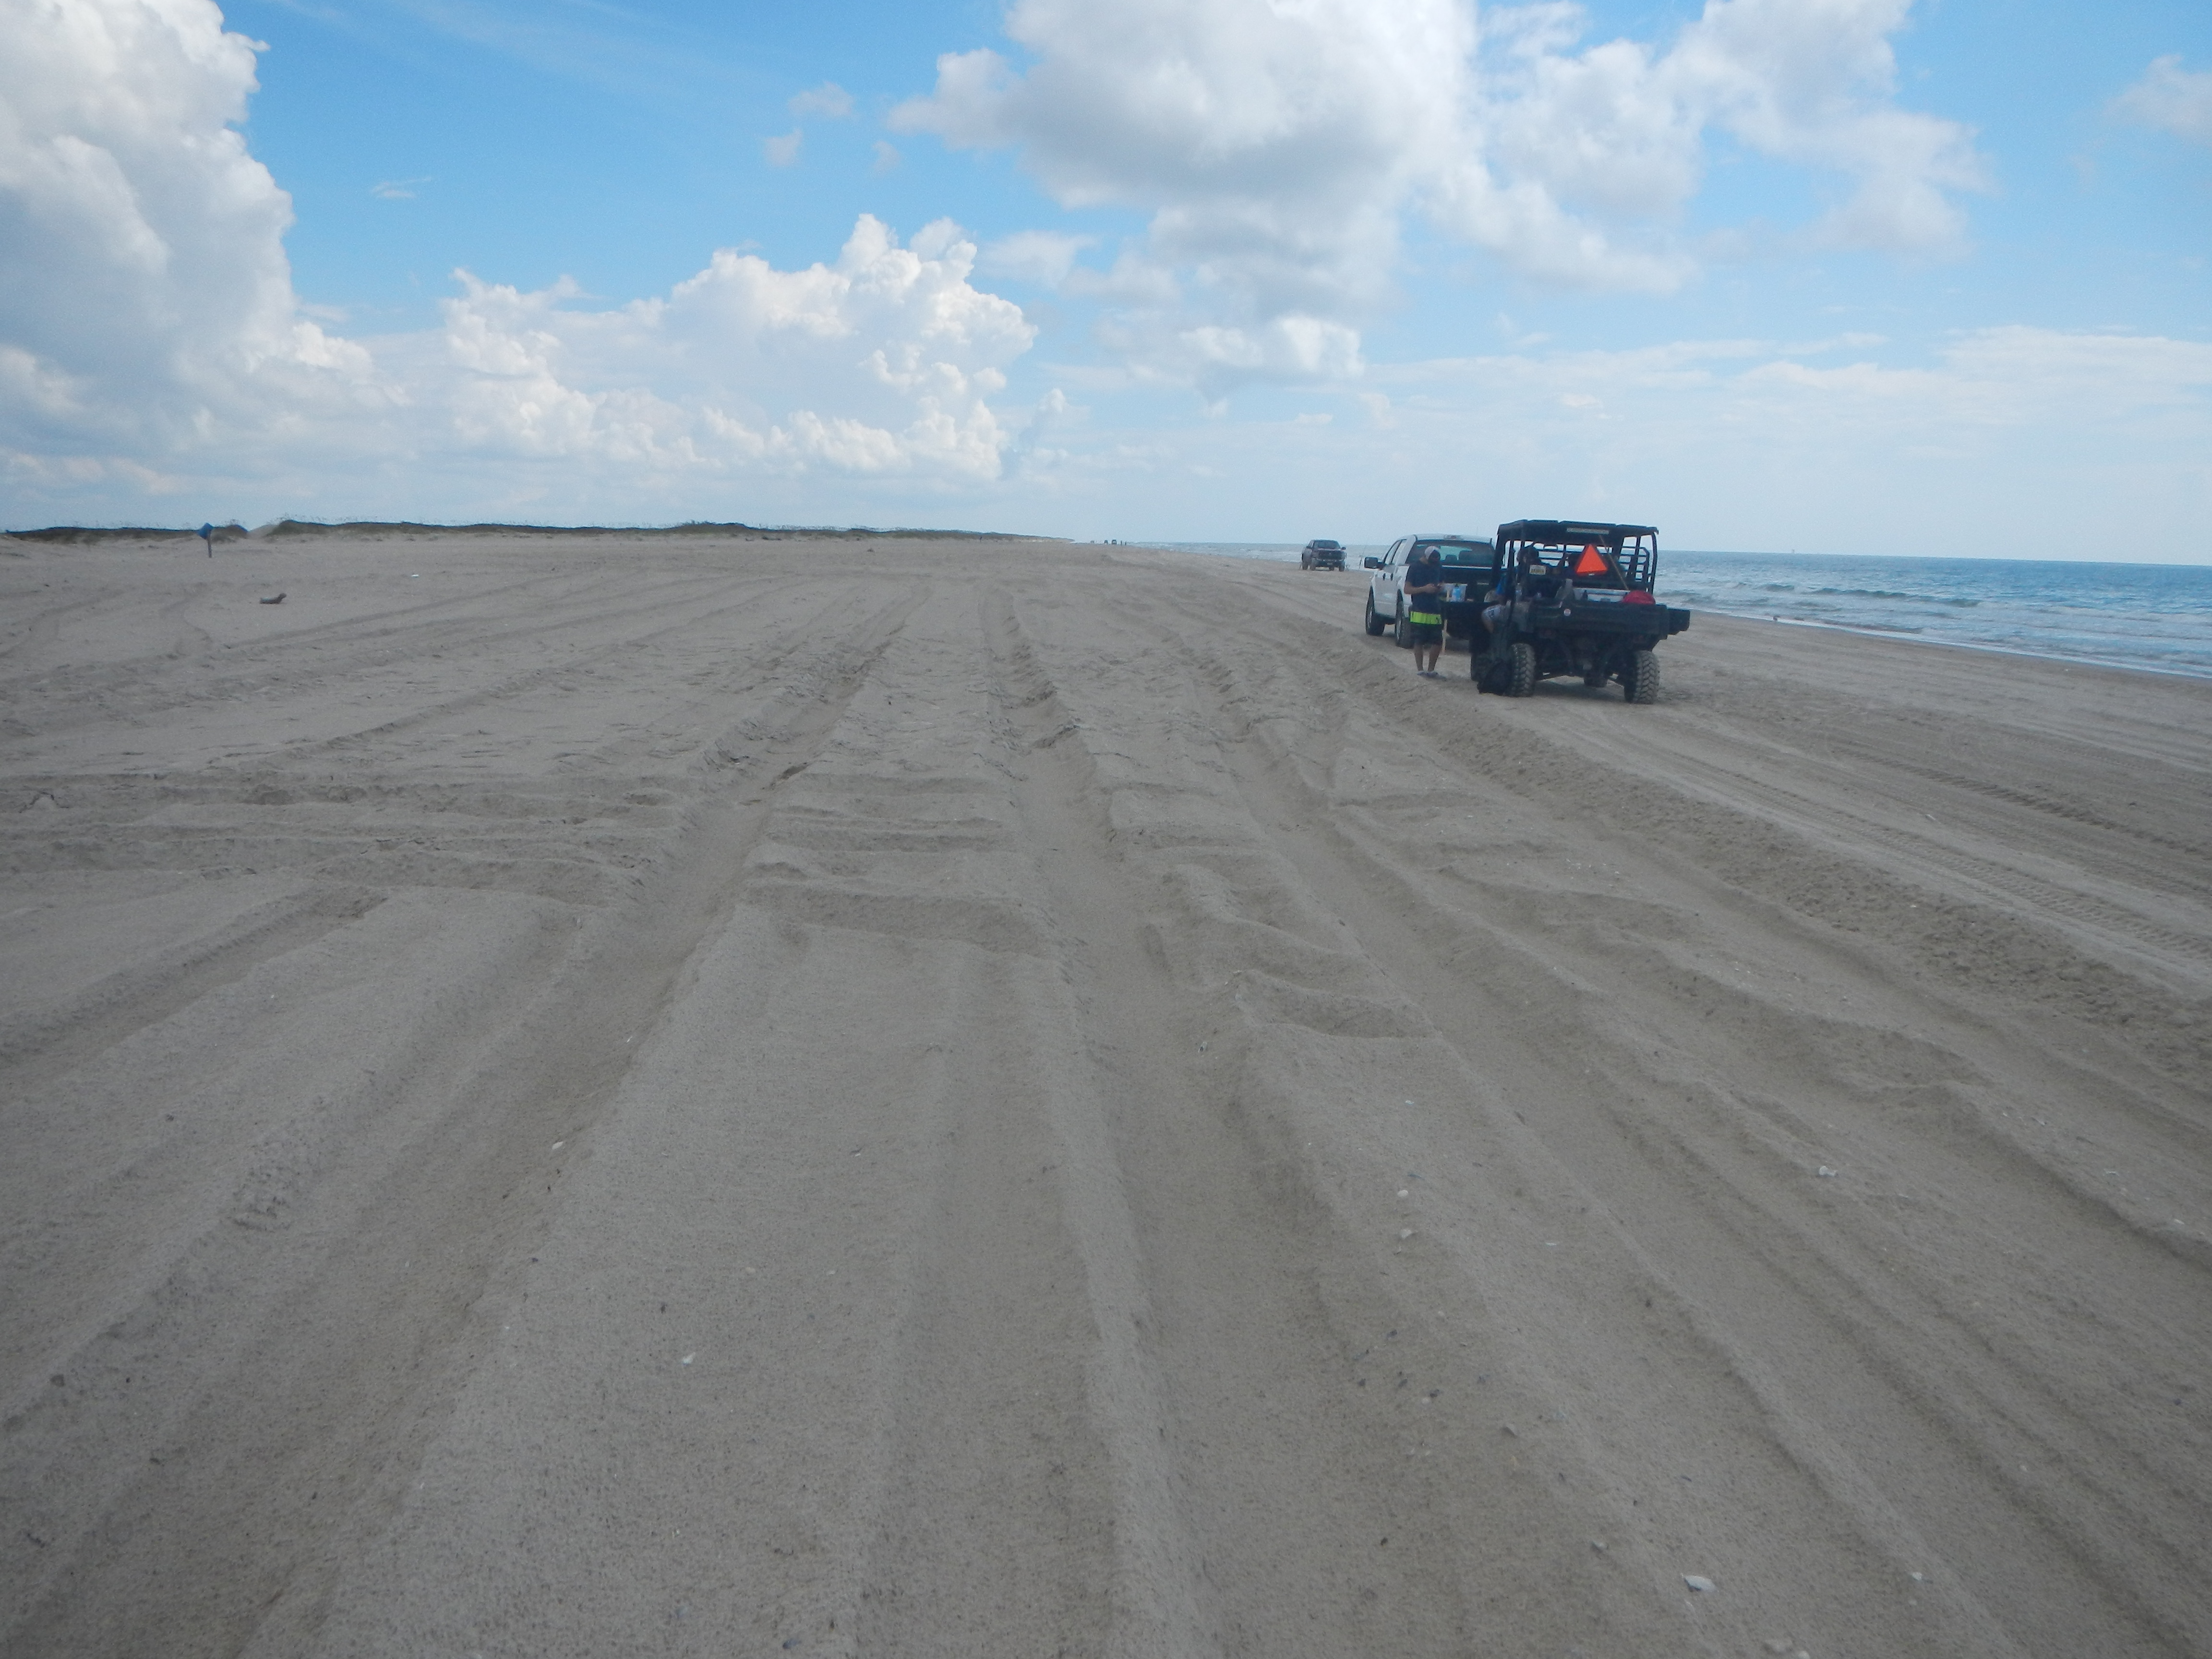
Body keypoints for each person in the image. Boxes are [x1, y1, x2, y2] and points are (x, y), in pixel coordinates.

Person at [1405, 544, 1446, 676]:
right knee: (1419, 641)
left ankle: (1431, 670)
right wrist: (1424, 589)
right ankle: (1420, 670)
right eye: (1432, 559)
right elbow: (1407, 589)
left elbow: (1443, 582)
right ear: (1426, 556)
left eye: (1437, 559)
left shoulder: (1438, 567)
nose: (1434, 562)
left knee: (1437, 641)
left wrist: (1440, 587)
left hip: (1435, 608)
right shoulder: (1415, 567)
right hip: (1419, 609)